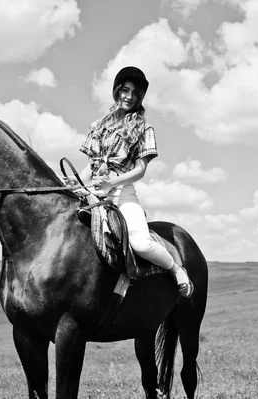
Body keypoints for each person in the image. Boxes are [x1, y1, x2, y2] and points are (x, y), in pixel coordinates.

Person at [74, 66, 194, 298]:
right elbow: (90, 166)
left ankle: (175, 268)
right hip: (93, 191)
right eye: (125, 90)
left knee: (140, 244)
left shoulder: (144, 128)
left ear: (140, 97)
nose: (129, 96)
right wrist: (75, 183)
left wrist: (111, 184)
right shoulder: (97, 126)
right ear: (117, 91)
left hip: (122, 193)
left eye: (135, 92)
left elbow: (140, 170)